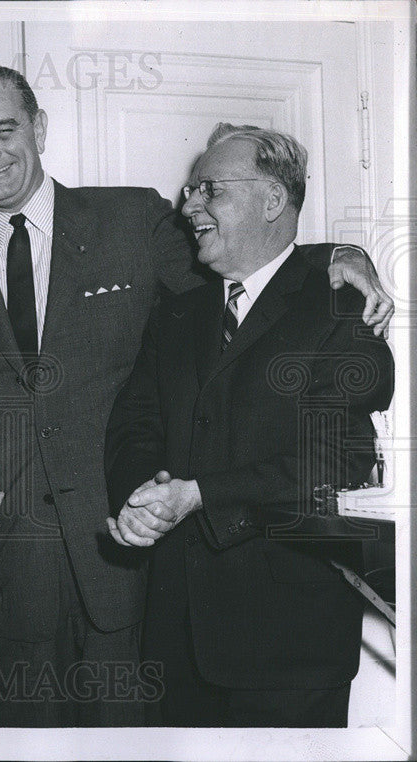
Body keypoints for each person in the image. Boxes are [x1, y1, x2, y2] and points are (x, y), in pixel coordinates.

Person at [0, 64, 394, 727]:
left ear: (39, 128)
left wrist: (343, 257)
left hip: (131, 575)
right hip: (12, 580)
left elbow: (245, 259)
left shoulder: (132, 220)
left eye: (4, 128)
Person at [104, 124, 395, 727]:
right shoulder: (179, 311)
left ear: (272, 199)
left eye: (209, 189)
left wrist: (201, 496)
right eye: (190, 190)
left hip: (289, 650)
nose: (189, 207)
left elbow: (339, 456)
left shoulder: (339, 306)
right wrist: (141, 495)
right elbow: (135, 422)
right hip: (176, 640)